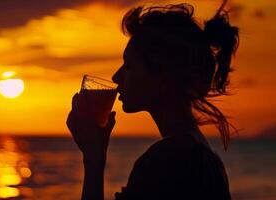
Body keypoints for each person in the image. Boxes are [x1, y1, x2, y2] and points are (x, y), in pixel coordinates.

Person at [66, 0, 239, 199]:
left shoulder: (167, 160)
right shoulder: (204, 156)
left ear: (164, 76)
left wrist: (93, 159)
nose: (116, 77)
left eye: (129, 66)